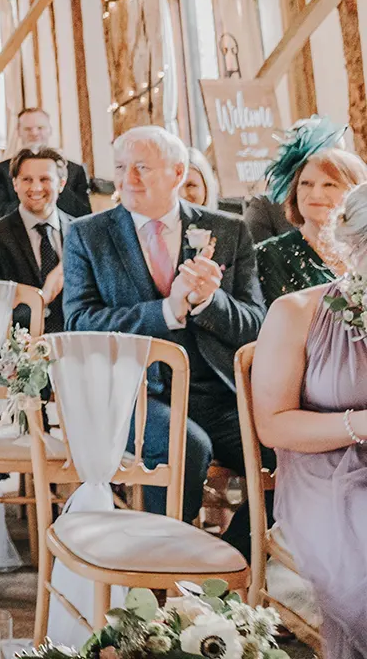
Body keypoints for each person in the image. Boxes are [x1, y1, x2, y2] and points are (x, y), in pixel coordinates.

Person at [62, 124, 264, 539]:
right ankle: (155, 573)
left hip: (215, 390)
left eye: (141, 167)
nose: (127, 179)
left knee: (292, 449)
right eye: (120, 167)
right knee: (188, 446)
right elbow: (79, 323)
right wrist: (166, 310)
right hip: (134, 392)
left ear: (177, 173)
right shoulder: (88, 234)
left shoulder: (228, 230)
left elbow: (255, 326)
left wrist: (210, 301)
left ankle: (230, 565)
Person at [252, 182, 367, 659]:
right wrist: (361, 424)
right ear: (355, 245)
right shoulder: (296, 312)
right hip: (326, 477)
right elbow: (273, 425)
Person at [251, 120, 367, 301]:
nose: (316, 193)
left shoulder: (362, 249)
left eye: (329, 184)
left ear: (354, 192)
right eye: (306, 184)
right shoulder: (267, 256)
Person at [0, 146, 70, 332]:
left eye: (45, 179)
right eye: (27, 180)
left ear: (61, 183)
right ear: (15, 184)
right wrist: (43, 297)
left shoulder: (81, 233)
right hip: (20, 346)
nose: (36, 188)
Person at [0, 107, 93, 221]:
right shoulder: (1, 171)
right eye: (28, 129)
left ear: (50, 130)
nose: (34, 133)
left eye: (40, 128)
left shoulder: (74, 170)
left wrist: (54, 187)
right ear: (19, 132)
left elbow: (84, 215)